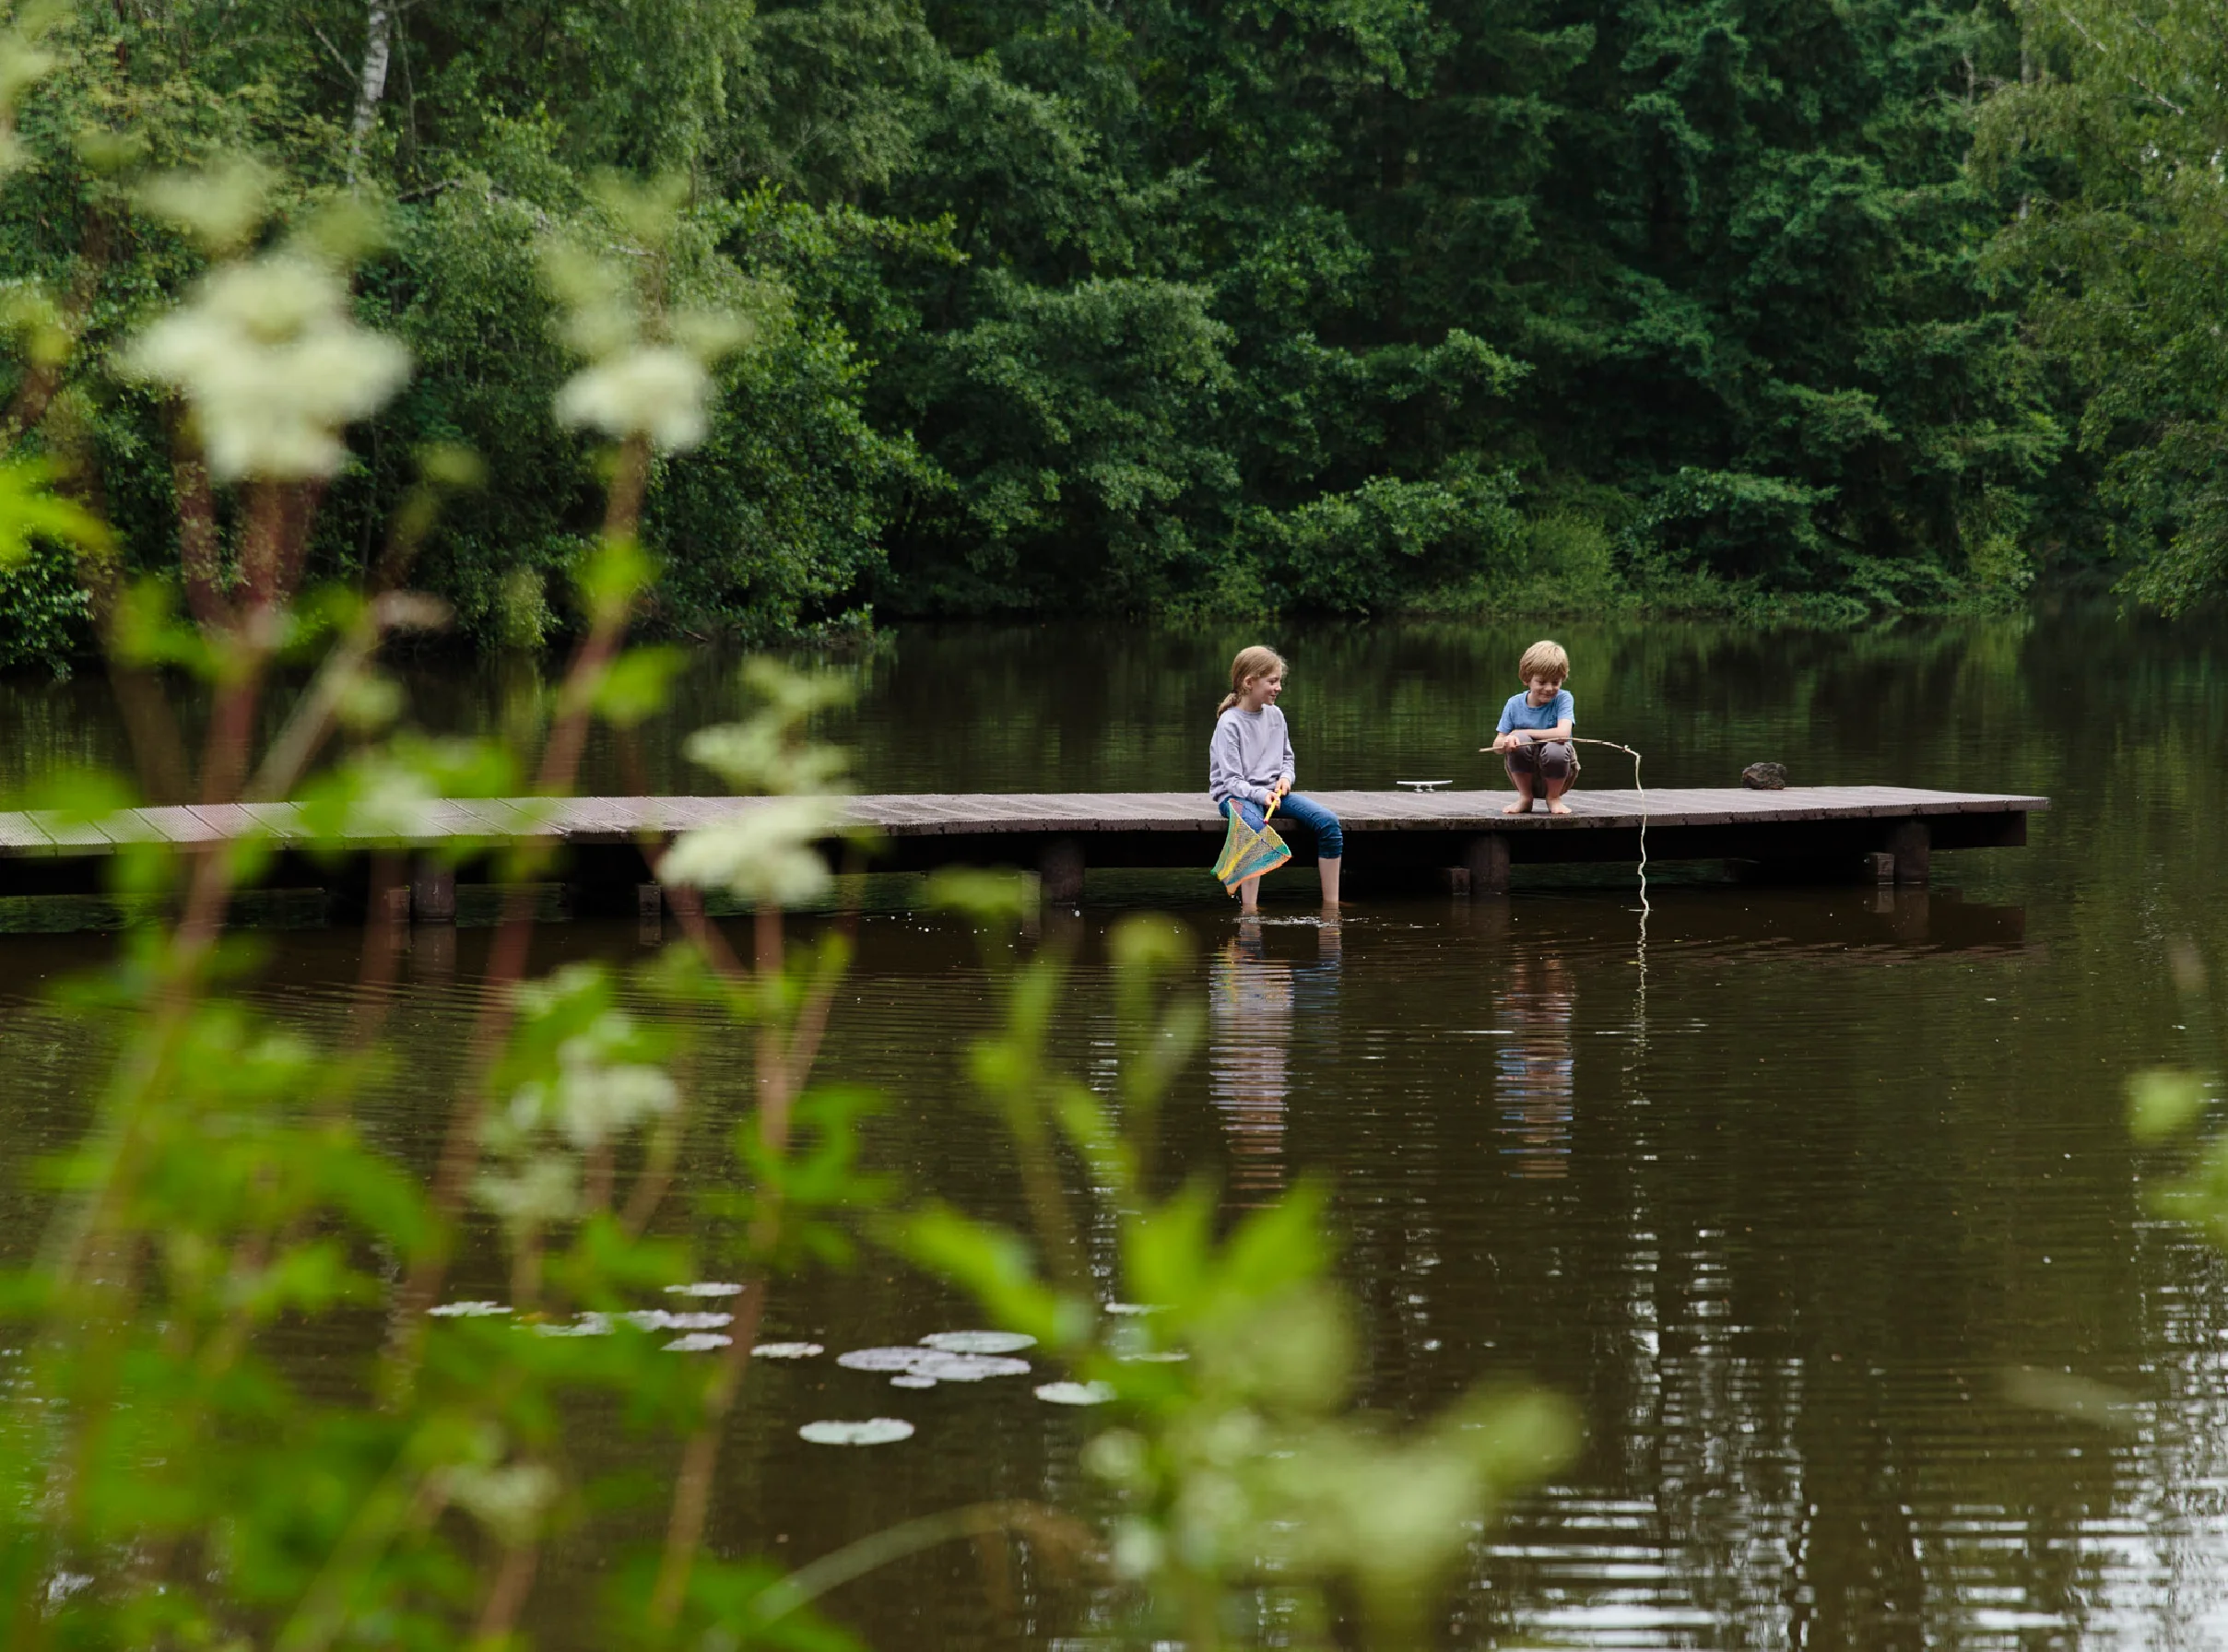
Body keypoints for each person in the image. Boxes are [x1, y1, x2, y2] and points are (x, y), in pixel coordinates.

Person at [1208, 644, 1343, 909]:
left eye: (1279, 681)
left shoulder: (1276, 715)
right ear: (1249, 682)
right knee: (1254, 828)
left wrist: (1286, 779)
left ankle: (1332, 904)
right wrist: (1262, 794)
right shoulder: (1229, 723)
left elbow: (1287, 759)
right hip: (1236, 796)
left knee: (1329, 823)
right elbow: (1232, 781)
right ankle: (1250, 909)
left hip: (1275, 793)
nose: (1278, 687)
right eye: (1272, 681)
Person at [1490, 639, 1577, 816]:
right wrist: (1507, 741)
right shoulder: (1514, 704)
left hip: (1560, 774)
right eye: (1542, 682)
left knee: (1556, 746)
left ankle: (1553, 798)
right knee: (1519, 740)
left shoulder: (1564, 698)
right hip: (1524, 775)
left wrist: (1523, 731)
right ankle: (1525, 798)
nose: (1549, 688)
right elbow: (1496, 746)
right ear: (1527, 679)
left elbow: (1562, 734)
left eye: (1555, 682)